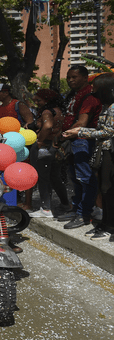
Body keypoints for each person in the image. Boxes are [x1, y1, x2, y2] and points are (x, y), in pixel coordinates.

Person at [62, 74, 114, 240]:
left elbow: (108, 132)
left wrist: (80, 131)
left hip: (109, 152)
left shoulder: (113, 108)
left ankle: (110, 226)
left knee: (107, 189)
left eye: (96, 90)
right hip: (103, 151)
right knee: (103, 188)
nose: (93, 93)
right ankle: (105, 223)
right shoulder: (107, 106)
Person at [57, 65, 103, 229]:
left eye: (74, 77)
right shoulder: (76, 95)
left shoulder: (89, 97)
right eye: (69, 77)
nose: (70, 80)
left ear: (85, 77)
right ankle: (76, 208)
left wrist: (61, 138)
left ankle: (84, 214)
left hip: (83, 140)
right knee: (75, 178)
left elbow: (81, 123)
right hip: (73, 140)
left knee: (85, 178)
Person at [29, 89, 71, 218]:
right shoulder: (59, 110)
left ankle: (46, 209)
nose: (36, 103)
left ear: (47, 100)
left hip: (46, 145)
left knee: (43, 178)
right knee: (55, 177)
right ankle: (65, 204)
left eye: (39, 100)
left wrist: (39, 141)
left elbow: (47, 126)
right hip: (57, 146)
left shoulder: (47, 112)